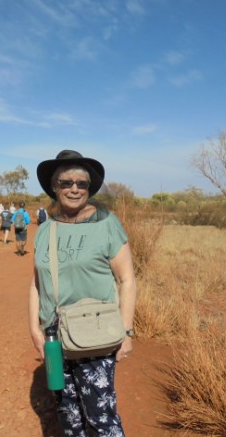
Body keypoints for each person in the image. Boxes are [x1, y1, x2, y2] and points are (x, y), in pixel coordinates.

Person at [28, 150, 137, 435]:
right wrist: (35, 330)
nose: (74, 188)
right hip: (54, 337)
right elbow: (36, 284)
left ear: (89, 188)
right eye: (66, 182)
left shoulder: (106, 224)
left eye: (81, 183)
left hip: (96, 335)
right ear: (54, 186)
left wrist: (126, 333)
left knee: (102, 418)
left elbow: (127, 280)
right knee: (68, 413)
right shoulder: (45, 228)